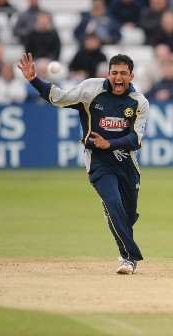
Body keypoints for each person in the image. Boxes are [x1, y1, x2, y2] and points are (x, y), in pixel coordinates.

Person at [18, 52, 149, 275]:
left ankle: (117, 223)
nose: (118, 78)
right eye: (114, 73)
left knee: (128, 215)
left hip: (127, 164)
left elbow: (135, 140)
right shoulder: (91, 89)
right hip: (98, 160)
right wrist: (34, 80)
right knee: (113, 204)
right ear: (108, 73)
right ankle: (129, 257)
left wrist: (110, 143)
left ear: (132, 76)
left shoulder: (139, 102)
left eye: (123, 74)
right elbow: (59, 98)